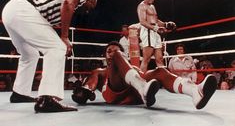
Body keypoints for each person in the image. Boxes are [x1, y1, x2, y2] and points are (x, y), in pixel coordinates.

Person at [2, 0, 97, 113]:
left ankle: (20, 93)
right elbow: (68, 2)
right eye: (91, 6)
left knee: (30, 54)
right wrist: (64, 37)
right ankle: (48, 98)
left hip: (10, 10)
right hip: (23, 10)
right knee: (57, 48)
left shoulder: (57, 5)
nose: (88, 11)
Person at [72, 41, 217, 110]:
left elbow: (148, 75)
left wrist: (152, 79)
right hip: (116, 93)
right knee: (139, 78)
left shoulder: (132, 67)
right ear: (104, 55)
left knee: (160, 71)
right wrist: (85, 90)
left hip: (137, 93)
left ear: (125, 55)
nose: (112, 53)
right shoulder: (100, 71)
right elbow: (89, 85)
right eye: (109, 51)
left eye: (116, 51)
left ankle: (195, 92)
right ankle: (142, 88)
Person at [137, 0, 176, 72]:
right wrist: (155, 29)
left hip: (155, 31)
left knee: (159, 59)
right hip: (147, 31)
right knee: (146, 59)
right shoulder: (142, 6)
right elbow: (142, 21)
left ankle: (162, 80)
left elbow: (155, 20)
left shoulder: (152, 7)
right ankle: (139, 81)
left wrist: (166, 24)